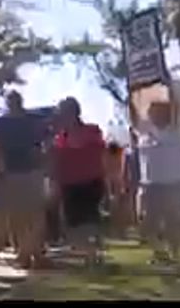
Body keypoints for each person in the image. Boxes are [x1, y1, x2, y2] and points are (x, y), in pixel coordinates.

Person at [0, 91, 49, 269]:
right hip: (12, 171)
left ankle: (34, 251)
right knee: (18, 215)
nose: (14, 103)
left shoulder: (33, 120)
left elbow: (47, 142)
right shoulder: (0, 123)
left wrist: (44, 162)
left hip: (31, 170)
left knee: (35, 214)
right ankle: (25, 252)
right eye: (11, 100)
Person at [51, 97, 107, 267]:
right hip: (69, 184)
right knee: (73, 223)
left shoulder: (92, 131)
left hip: (91, 181)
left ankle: (93, 254)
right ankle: (90, 252)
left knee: (90, 219)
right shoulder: (60, 137)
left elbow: (98, 151)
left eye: (63, 112)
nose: (61, 116)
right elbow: (57, 161)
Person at [134, 100, 180, 265]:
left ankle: (174, 255)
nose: (154, 115)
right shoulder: (144, 134)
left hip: (173, 184)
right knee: (145, 223)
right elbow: (132, 115)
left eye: (159, 112)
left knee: (172, 222)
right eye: (152, 112)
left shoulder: (178, 134)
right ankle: (160, 252)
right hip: (149, 185)